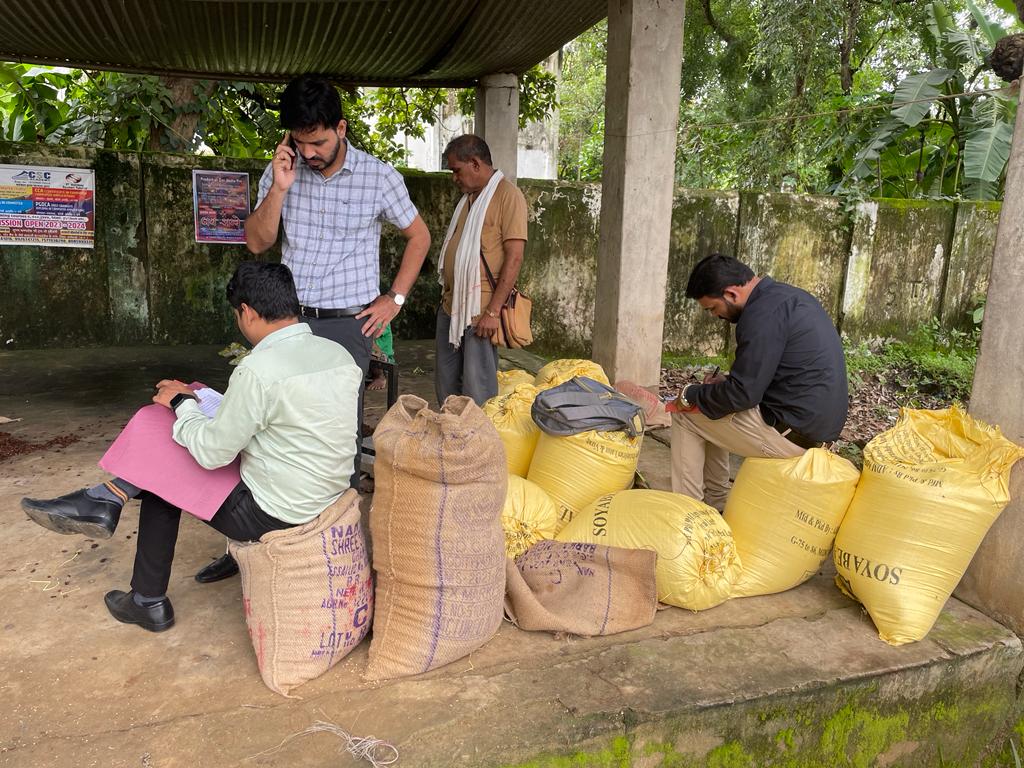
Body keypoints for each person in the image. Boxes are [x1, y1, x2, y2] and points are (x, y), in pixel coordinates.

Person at [20, 262, 362, 632]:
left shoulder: (259, 369)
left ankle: (144, 594)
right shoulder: (338, 355)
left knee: (164, 473)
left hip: (276, 513)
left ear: (245, 312)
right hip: (328, 494)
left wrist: (183, 404)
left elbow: (214, 452)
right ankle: (107, 500)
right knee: (202, 433)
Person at [244, 74, 431, 488]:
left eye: (319, 143)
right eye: (300, 142)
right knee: (284, 420)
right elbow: (258, 243)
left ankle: (337, 514)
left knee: (337, 425)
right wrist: (278, 189)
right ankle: (288, 507)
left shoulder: (378, 177)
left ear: (341, 128)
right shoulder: (281, 171)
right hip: (289, 320)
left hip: (349, 323)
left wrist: (394, 300)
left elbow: (420, 236)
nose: (308, 153)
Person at [671, 254, 848, 511]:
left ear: (731, 293)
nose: (714, 316)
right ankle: (718, 503)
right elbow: (767, 377)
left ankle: (687, 516)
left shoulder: (759, 316)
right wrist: (720, 386)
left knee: (686, 413)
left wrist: (690, 393)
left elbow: (742, 396)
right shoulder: (788, 298)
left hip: (793, 439)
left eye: (712, 308)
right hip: (813, 432)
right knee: (712, 402)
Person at [435, 134, 527, 406]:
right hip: (452, 306)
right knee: (446, 382)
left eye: (456, 170)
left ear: (475, 163)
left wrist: (492, 312)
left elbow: (515, 258)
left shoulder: (508, 196)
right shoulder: (468, 200)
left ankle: (478, 444)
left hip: (481, 310)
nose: (454, 178)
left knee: (478, 387)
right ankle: (453, 438)